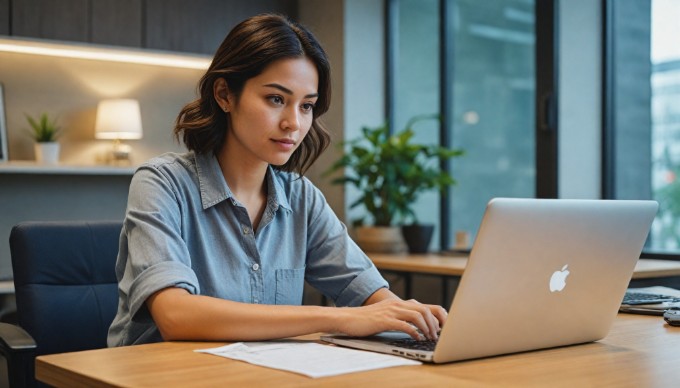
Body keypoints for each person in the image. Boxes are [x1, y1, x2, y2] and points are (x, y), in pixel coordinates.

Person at [107, 13, 446, 347]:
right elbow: (176, 315)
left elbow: (372, 297)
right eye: (276, 99)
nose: (293, 124)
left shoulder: (301, 199)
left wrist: (411, 317)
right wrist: (340, 318)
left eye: (306, 106)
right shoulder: (161, 183)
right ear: (225, 95)